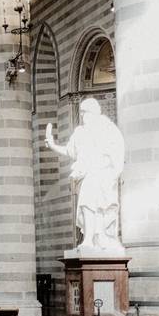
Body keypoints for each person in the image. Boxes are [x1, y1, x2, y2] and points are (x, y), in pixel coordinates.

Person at [45, 98, 126, 254]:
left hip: (104, 174)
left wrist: (113, 173)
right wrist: (53, 145)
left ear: (95, 111)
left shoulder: (108, 128)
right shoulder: (80, 132)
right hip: (89, 176)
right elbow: (70, 152)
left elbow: (117, 153)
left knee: (99, 206)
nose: (83, 115)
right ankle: (89, 238)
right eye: (81, 112)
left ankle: (99, 237)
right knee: (87, 202)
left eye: (85, 111)